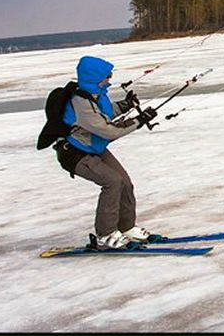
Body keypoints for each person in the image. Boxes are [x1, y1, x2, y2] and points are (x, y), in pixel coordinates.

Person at [57, 55, 158, 250]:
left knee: (125, 183)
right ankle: (105, 234)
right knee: (112, 181)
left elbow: (105, 112)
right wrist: (138, 121)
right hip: (75, 153)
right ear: (95, 77)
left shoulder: (96, 94)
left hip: (94, 147)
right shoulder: (80, 101)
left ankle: (126, 228)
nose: (109, 79)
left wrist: (124, 105)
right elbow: (108, 130)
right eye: (107, 76)